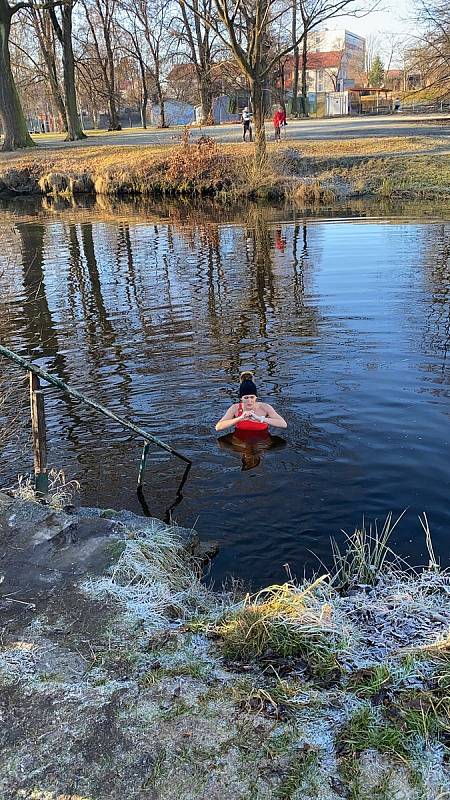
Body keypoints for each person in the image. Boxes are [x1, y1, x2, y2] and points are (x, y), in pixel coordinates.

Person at [215, 371, 287, 432]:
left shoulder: (265, 407)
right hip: (240, 440)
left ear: (256, 397)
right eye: (246, 398)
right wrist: (240, 418)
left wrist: (260, 419)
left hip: (262, 440)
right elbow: (218, 427)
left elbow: (283, 424)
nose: (249, 401)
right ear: (241, 399)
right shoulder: (235, 408)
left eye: (252, 397)